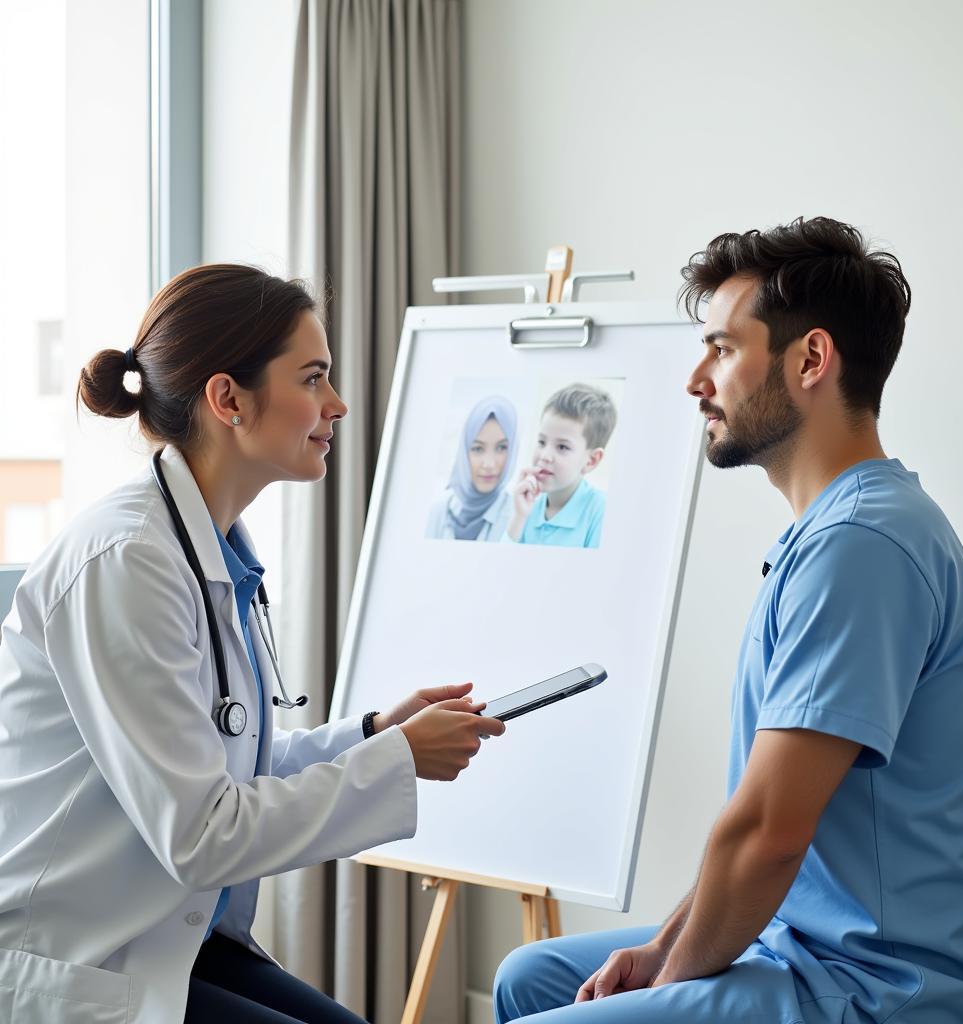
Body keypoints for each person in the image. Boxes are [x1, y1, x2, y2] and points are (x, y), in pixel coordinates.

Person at [493, 217, 963, 1023]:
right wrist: (666, 943)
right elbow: (756, 817)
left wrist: (673, 981)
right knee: (531, 977)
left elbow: (770, 833)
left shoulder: (863, 546)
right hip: (802, 945)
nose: (696, 379)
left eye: (723, 349)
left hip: (878, 987)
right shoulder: (836, 532)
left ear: (811, 359)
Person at [0, 264, 506, 1024]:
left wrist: (372, 735)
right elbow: (203, 833)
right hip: (77, 955)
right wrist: (398, 761)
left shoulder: (206, 547)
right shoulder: (127, 561)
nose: (336, 405)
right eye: (313, 378)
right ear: (227, 399)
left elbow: (230, 768)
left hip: (168, 936)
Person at [504, 383, 617, 550]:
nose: (545, 456)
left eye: (562, 447)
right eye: (542, 442)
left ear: (591, 460)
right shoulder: (528, 504)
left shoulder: (601, 512)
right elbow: (499, 568)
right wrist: (519, 516)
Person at [425, 395, 518, 541]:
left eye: (501, 448)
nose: (489, 464)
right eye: (478, 449)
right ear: (463, 451)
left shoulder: (518, 517)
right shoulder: (438, 512)